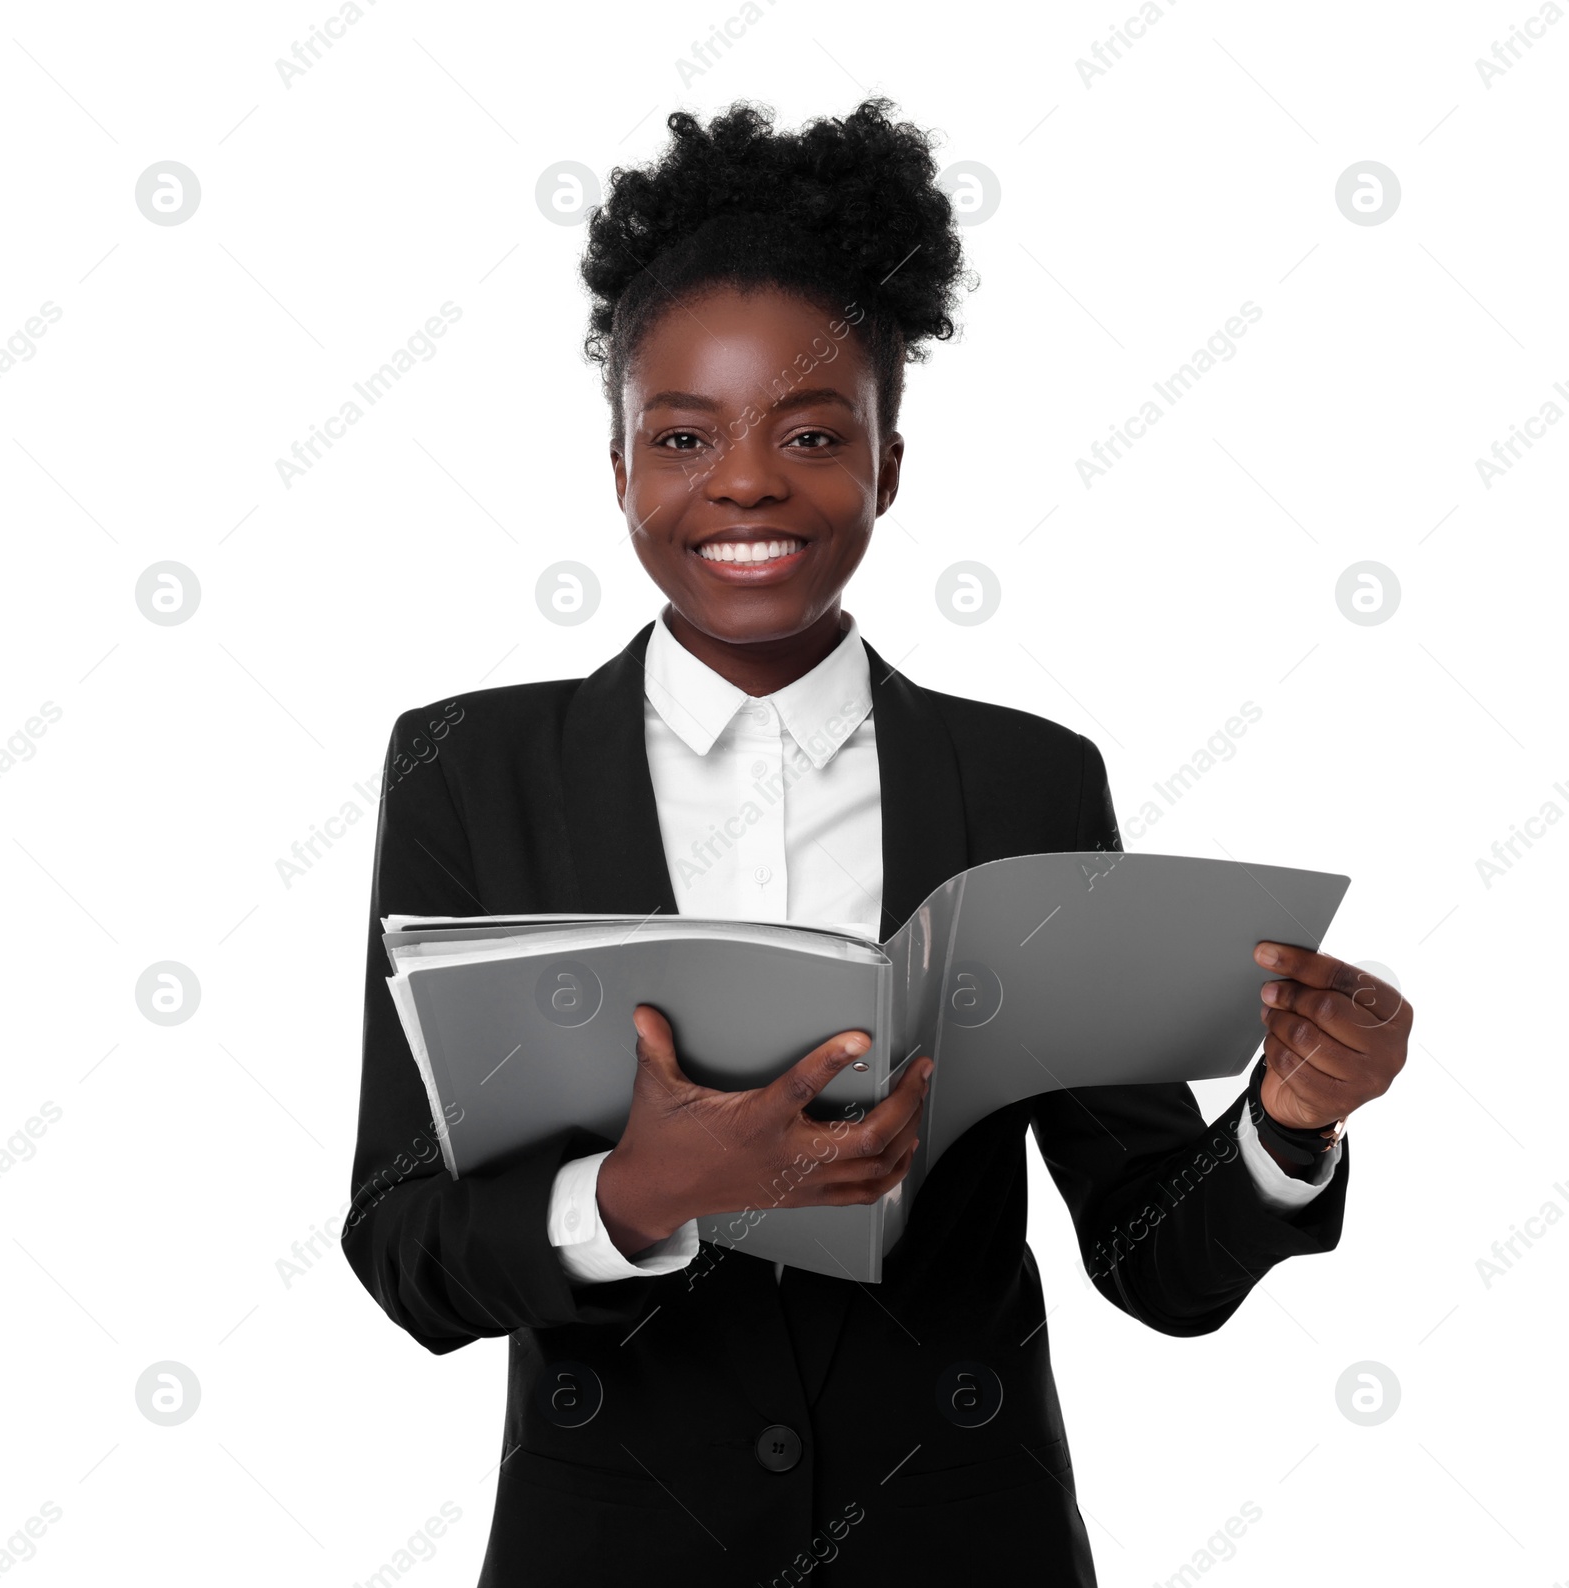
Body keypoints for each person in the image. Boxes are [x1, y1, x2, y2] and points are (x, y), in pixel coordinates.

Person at [343, 98, 1411, 1587]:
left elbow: (1157, 1261)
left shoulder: (1029, 782)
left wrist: (1288, 1125)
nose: (747, 483)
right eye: (684, 435)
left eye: (814, 433)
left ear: (890, 463)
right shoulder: (473, 769)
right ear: (617, 465)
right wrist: (644, 1190)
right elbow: (407, 1252)